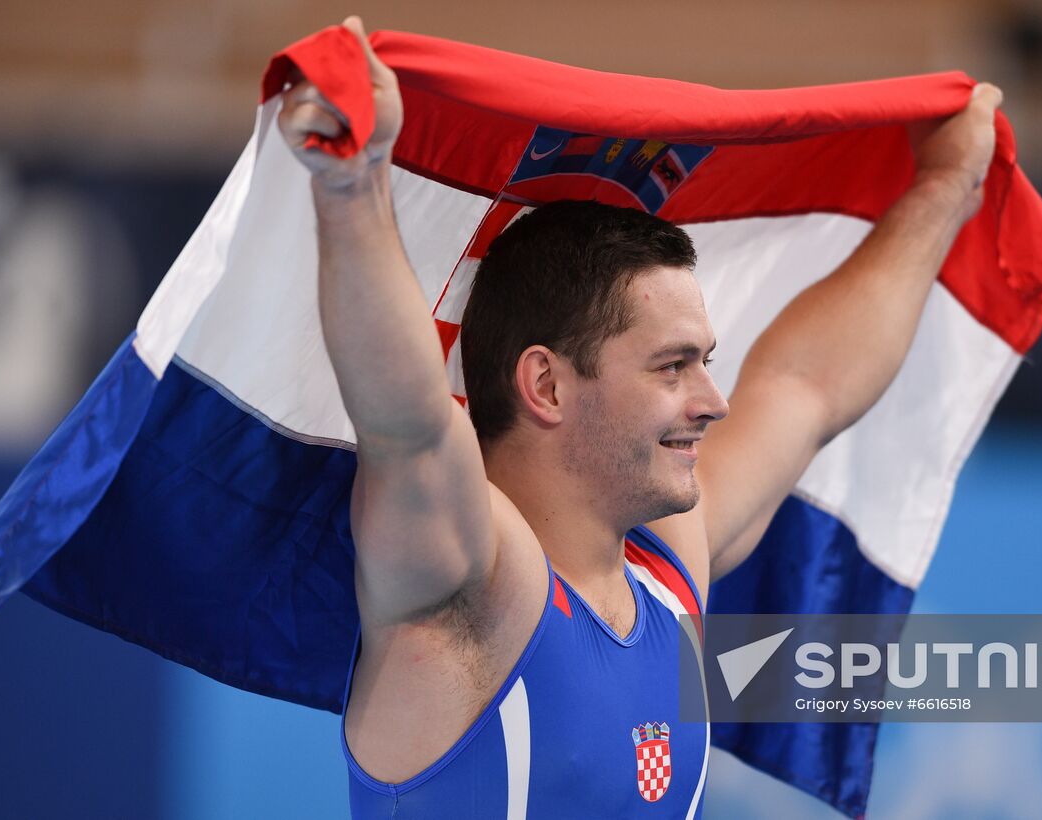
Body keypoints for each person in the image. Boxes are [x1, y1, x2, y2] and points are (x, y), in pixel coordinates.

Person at [278, 16, 1002, 819]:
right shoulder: (470, 585)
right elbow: (404, 421)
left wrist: (943, 191)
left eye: (705, 361)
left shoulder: (666, 573)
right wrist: (351, 185)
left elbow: (807, 386)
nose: (712, 401)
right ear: (546, 386)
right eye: (671, 366)